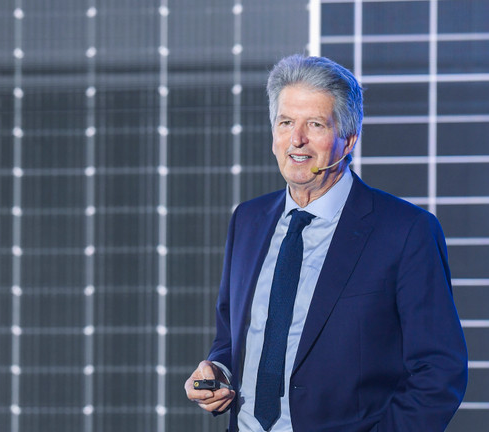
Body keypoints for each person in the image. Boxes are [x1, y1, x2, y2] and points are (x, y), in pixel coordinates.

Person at [184, 55, 468, 432]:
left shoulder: (405, 231)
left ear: (348, 139)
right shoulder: (248, 221)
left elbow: (439, 371)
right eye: (286, 122)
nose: (296, 139)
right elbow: (231, 336)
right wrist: (218, 371)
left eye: (315, 124)